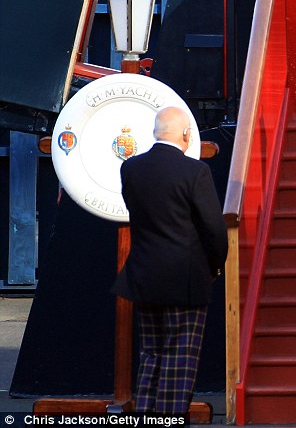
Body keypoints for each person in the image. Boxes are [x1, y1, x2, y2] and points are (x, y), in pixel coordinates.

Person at [112, 106, 228, 413]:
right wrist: (216, 265)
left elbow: (134, 211)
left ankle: (146, 418)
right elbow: (214, 228)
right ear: (187, 135)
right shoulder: (196, 172)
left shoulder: (131, 168)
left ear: (155, 133)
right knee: (180, 357)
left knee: (151, 353)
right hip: (185, 279)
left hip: (144, 276)